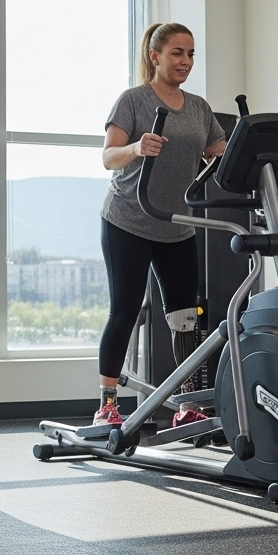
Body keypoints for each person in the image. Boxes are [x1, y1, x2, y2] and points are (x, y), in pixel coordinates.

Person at [95, 22, 227, 427]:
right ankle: (108, 404)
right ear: (155, 56)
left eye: (190, 54)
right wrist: (136, 147)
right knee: (125, 311)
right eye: (177, 53)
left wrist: (243, 158)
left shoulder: (199, 108)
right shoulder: (132, 101)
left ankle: (187, 404)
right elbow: (108, 157)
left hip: (176, 225)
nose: (185, 61)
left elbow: (218, 152)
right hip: (128, 221)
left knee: (185, 316)